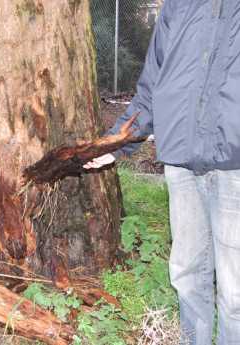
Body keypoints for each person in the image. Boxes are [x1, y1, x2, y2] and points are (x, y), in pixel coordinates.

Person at [84, 0, 240, 344]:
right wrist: (119, 142)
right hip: (181, 161)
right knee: (187, 276)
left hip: (235, 166)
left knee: (236, 293)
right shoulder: (179, 6)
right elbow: (152, 85)